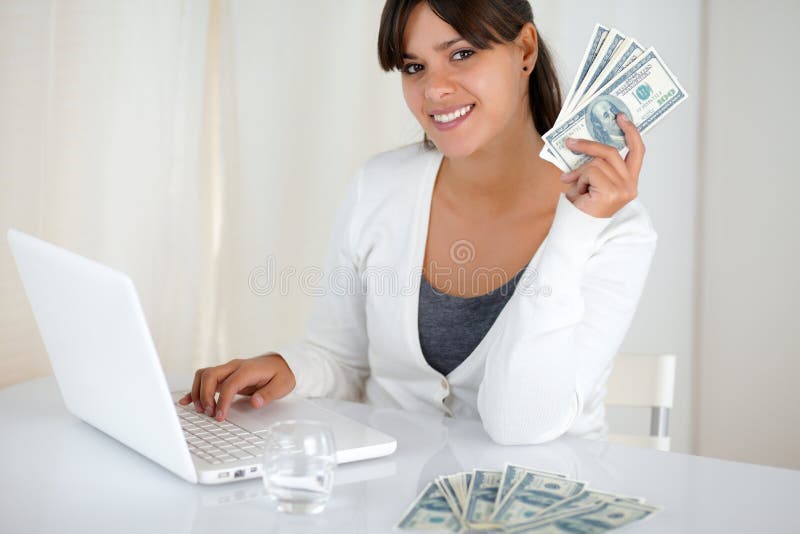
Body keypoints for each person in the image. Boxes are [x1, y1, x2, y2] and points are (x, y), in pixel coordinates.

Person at [179, 0, 657, 445]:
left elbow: (520, 424)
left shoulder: (615, 231)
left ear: (525, 50)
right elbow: (340, 360)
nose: (434, 89)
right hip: (392, 503)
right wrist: (286, 367)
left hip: (543, 502)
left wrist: (574, 228)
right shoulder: (380, 187)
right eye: (414, 67)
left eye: (462, 53)